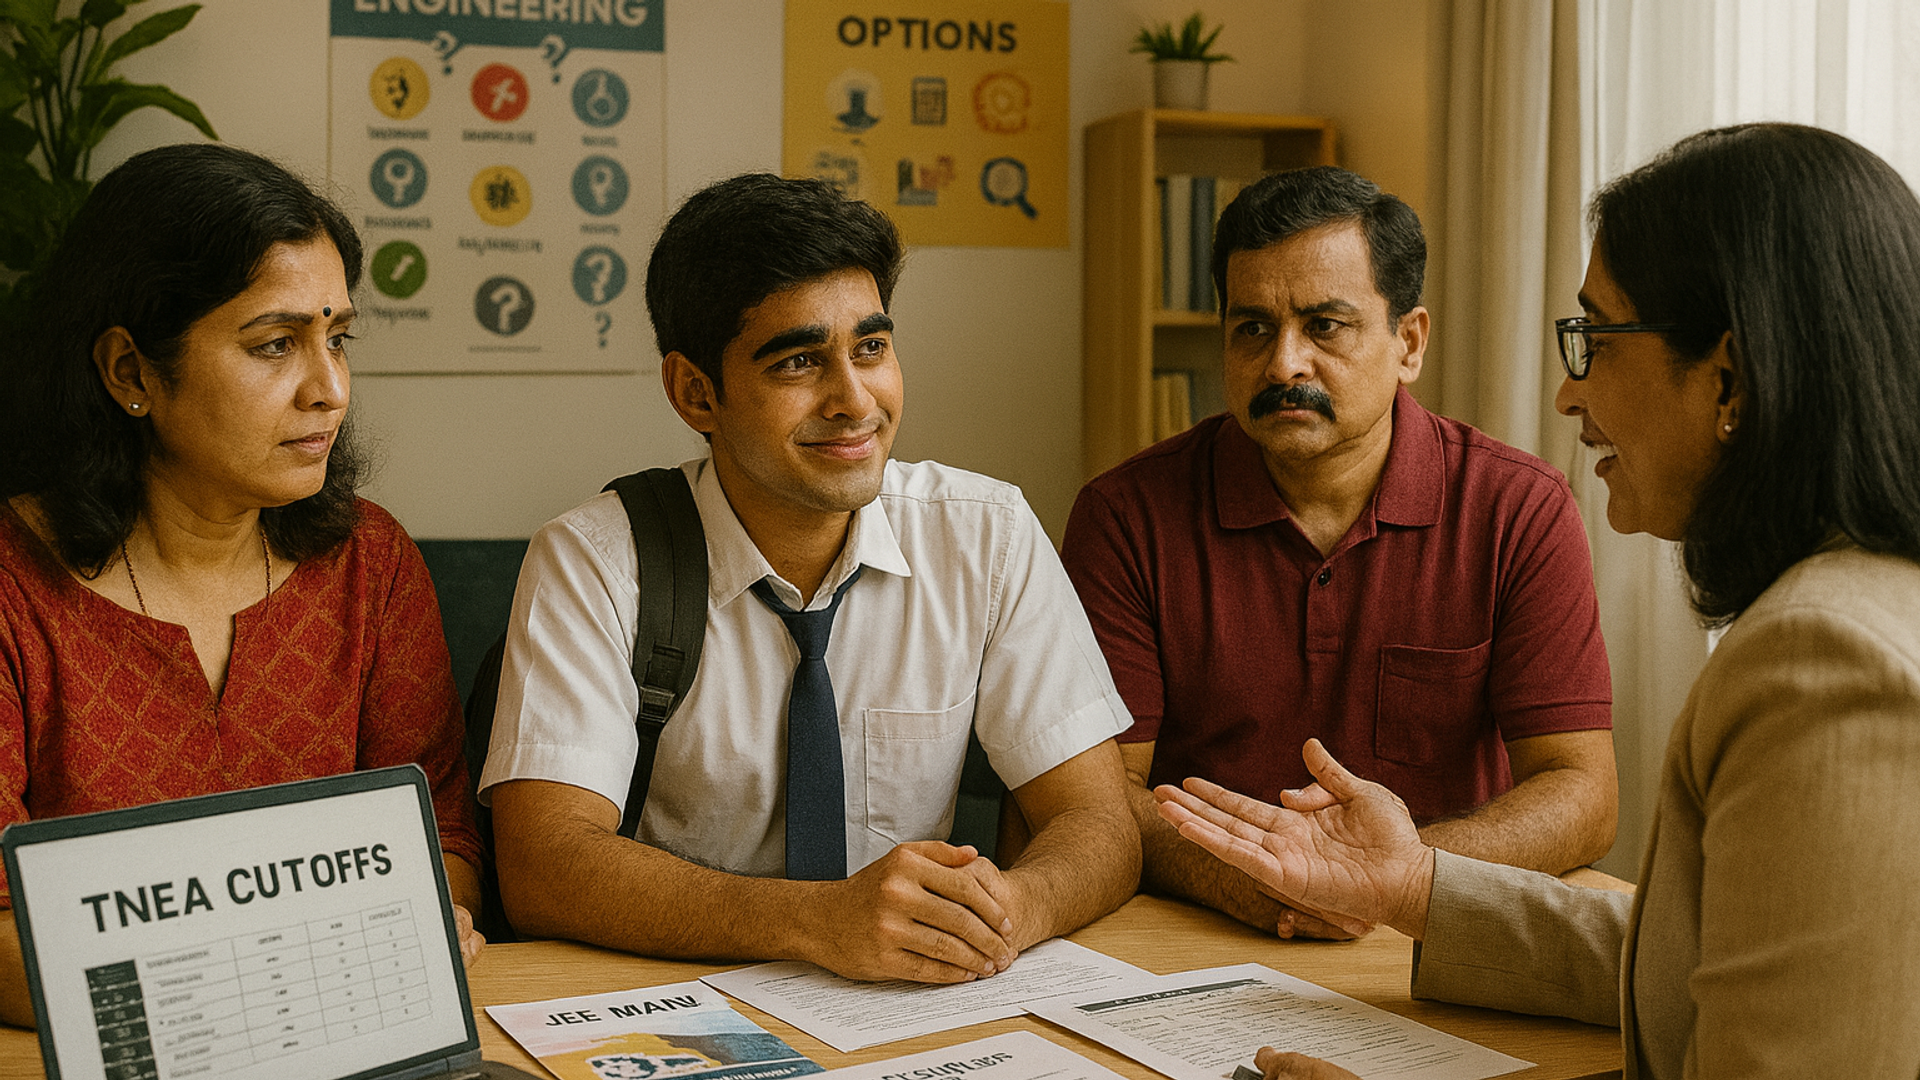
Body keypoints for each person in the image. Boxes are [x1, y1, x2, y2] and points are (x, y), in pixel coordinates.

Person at [1158, 123, 1920, 1078]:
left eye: (1596, 339)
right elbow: (1691, 960)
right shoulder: (1852, 616)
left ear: (1726, 374)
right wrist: (1410, 880)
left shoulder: (1827, 660)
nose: (1568, 392)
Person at [480, 173, 1139, 984]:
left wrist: (1003, 914)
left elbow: (1098, 822)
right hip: (675, 1010)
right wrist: (818, 922)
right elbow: (546, 864)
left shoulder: (986, 534)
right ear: (696, 393)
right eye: (799, 362)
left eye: (871, 347)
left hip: (908, 1004)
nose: (855, 400)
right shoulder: (594, 560)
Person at [1058, 166, 1616, 939]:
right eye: (1252, 327)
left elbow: (1581, 791)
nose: (1284, 363)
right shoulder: (1126, 517)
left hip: (1433, 934)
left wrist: (1394, 879)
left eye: (1325, 325)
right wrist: (1249, 876)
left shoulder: (1519, 509)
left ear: (1408, 342)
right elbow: (1099, 796)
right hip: (1203, 935)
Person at [0, 144, 486, 1028]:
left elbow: (440, 843)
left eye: (337, 338)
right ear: (131, 372)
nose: (330, 390)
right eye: (274, 346)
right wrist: (310, 966)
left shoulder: (369, 563)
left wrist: (431, 920)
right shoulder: (11, 589)